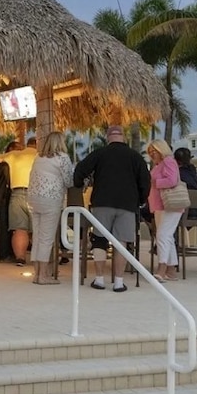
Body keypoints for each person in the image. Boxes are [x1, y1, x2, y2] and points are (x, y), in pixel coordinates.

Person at [73, 125, 150, 292]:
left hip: (102, 201)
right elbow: (145, 180)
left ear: (108, 137)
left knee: (99, 239)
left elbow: (80, 170)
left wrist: (79, 183)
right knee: (121, 242)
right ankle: (119, 282)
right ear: (123, 137)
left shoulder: (100, 153)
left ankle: (99, 279)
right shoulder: (135, 157)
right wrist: (141, 200)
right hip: (127, 204)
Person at [27, 132, 74, 285]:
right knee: (46, 238)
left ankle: (36, 274)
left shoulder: (38, 158)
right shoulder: (62, 158)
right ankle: (43, 276)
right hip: (51, 199)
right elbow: (69, 181)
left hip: (33, 198)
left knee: (37, 236)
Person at [146, 140, 184, 282]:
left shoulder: (168, 161)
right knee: (167, 236)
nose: (152, 154)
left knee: (162, 235)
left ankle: (162, 268)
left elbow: (172, 180)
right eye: (150, 152)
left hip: (169, 205)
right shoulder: (159, 165)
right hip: (161, 205)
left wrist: (155, 182)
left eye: (154, 151)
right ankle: (171, 270)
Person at [0, 137, 37, 266]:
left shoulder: (14, 155)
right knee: (39, 228)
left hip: (18, 193)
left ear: (27, 145)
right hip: (37, 193)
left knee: (19, 228)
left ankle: (20, 257)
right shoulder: (42, 156)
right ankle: (39, 259)